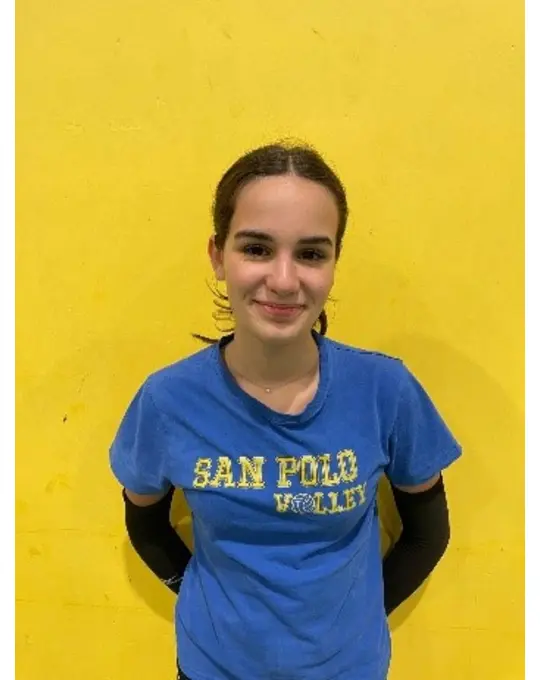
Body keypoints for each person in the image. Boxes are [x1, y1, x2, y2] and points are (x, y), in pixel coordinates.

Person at [109, 141, 462, 680]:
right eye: (256, 248)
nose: (283, 279)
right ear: (217, 256)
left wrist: (358, 621)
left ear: (334, 264)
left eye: (311, 254)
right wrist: (201, 600)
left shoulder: (385, 390)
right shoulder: (167, 400)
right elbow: (147, 527)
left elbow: (427, 535)